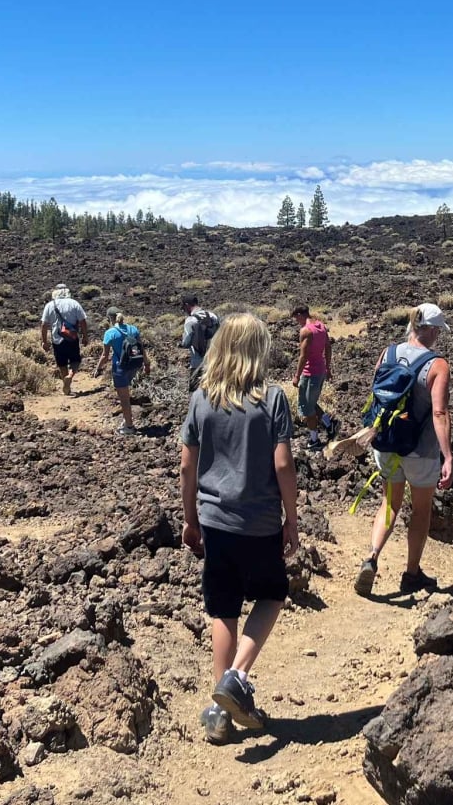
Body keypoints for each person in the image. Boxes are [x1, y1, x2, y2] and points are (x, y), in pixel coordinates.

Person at [178, 313, 299, 744]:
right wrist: (293, 521)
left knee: (222, 608)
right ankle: (236, 677)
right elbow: (283, 465)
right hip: (261, 521)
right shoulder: (273, 399)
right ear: (258, 350)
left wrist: (190, 519)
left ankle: (217, 715)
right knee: (272, 595)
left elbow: (187, 466)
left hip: (215, 522)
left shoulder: (201, 397)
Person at [355, 303, 453, 597]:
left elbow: (375, 394)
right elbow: (439, 413)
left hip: (386, 443)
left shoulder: (389, 353)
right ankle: (411, 573)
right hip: (420, 451)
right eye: (438, 331)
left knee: (390, 502)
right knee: (421, 510)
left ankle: (372, 557)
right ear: (433, 330)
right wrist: (447, 455)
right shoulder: (437, 365)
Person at [94, 307, 150, 435]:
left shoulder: (110, 333)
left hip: (120, 368)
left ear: (110, 318)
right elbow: (141, 348)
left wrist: (98, 368)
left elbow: (105, 355)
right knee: (126, 393)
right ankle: (127, 421)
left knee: (124, 398)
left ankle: (129, 427)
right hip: (135, 365)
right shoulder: (133, 329)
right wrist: (146, 364)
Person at [291, 305, 336, 446]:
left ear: (300, 315)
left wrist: (297, 376)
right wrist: (327, 368)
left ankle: (314, 440)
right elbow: (328, 347)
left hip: (310, 374)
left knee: (306, 407)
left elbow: (303, 356)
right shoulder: (321, 326)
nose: (296, 321)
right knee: (311, 403)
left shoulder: (306, 331)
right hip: (321, 371)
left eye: (296, 317)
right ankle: (330, 425)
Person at [39, 285, 88, 396]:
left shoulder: (50, 305)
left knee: (61, 363)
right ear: (67, 292)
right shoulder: (74, 303)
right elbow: (83, 321)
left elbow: (44, 324)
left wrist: (44, 341)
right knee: (75, 360)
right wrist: (85, 336)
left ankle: (67, 386)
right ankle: (70, 376)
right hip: (72, 338)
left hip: (57, 339)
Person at [181, 295, 219, 389]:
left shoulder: (190, 320)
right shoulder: (213, 316)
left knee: (195, 390)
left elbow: (186, 343)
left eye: (184, 308)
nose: (184, 310)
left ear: (187, 305)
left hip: (197, 362)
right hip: (215, 360)